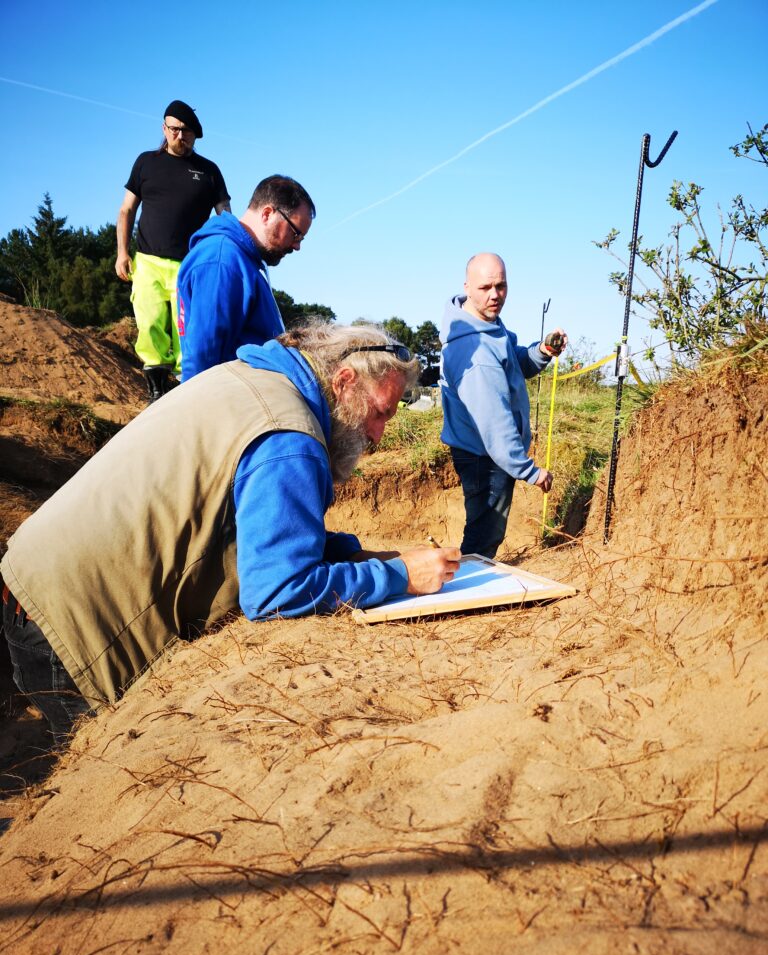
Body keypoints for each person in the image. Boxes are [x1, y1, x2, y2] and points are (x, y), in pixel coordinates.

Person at [1, 322, 460, 744]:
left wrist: (371, 558)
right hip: (70, 623)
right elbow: (276, 593)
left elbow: (255, 529)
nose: (379, 436)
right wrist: (399, 577)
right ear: (343, 382)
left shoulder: (253, 381)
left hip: (32, 576)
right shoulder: (289, 437)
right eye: (382, 413)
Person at [439, 253, 567, 559]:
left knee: (485, 531)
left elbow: (513, 361)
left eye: (501, 285)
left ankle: (467, 582)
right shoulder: (476, 353)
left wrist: (543, 351)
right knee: (484, 535)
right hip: (483, 456)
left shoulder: (485, 321)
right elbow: (495, 424)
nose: (495, 295)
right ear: (467, 286)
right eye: (486, 287)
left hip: (485, 452)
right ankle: (463, 595)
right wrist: (530, 471)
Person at [115, 99, 231, 401]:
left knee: (187, 331)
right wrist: (122, 252)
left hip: (190, 265)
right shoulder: (146, 163)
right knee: (150, 322)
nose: (181, 137)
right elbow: (127, 210)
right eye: (175, 130)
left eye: (187, 132)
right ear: (164, 129)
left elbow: (226, 217)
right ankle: (155, 390)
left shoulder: (209, 171)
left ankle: (183, 392)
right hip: (148, 260)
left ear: (196, 135)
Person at [176, 175, 314, 382]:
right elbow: (202, 356)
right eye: (295, 234)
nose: (297, 246)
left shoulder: (243, 258)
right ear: (267, 214)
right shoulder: (222, 260)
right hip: (228, 401)